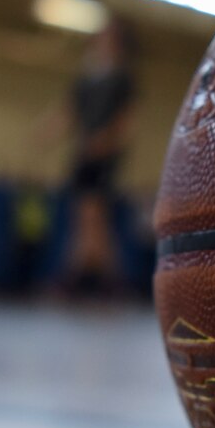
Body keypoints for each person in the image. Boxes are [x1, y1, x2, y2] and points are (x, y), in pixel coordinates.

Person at [42, 17, 138, 296]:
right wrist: (48, 132)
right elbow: (69, 111)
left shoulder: (122, 77)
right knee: (83, 215)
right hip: (83, 153)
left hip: (103, 155)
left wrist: (108, 141)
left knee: (93, 215)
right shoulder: (88, 77)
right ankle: (94, 276)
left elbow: (126, 119)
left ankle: (95, 277)